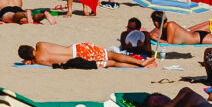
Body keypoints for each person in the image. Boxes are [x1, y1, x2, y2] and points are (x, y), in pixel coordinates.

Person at [16, 41, 156, 68]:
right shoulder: (40, 44)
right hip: (78, 49)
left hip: (78, 59)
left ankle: (140, 66)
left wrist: (30, 62)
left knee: (111, 63)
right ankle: (140, 62)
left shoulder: (38, 60)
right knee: (111, 54)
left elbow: (50, 63)